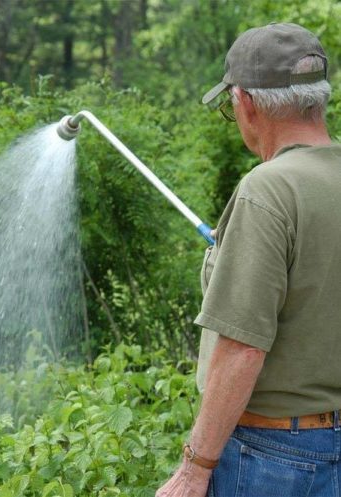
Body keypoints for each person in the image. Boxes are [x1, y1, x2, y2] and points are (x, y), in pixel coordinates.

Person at [156, 22, 341, 497]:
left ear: (248, 102)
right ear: (317, 98)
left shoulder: (269, 189)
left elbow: (243, 347)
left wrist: (195, 470)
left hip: (276, 456)